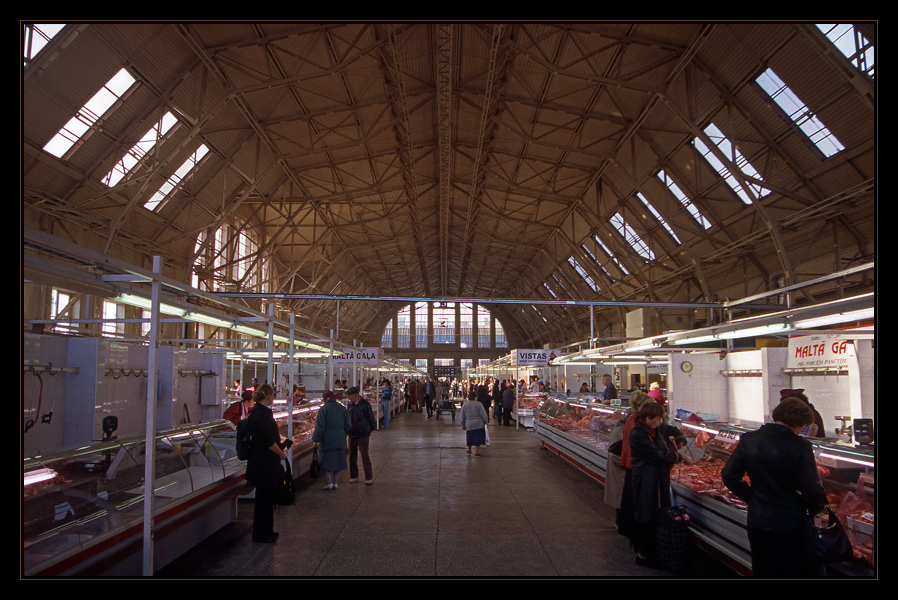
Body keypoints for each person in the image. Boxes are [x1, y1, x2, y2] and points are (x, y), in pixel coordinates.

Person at [721, 397, 828, 577]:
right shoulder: (801, 445)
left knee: (764, 569)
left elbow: (729, 476)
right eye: (804, 426)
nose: (803, 430)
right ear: (798, 422)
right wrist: (821, 515)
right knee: (792, 571)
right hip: (790, 522)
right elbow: (813, 489)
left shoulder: (748, 439)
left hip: (758, 520)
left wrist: (752, 497)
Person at [628, 400, 690, 568]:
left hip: (656, 479)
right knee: (645, 515)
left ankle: (653, 551)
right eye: (656, 419)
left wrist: (680, 437)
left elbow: (670, 429)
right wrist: (679, 457)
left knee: (655, 514)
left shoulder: (654, 430)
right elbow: (656, 455)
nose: (660, 422)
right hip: (645, 480)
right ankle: (642, 555)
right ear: (647, 418)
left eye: (661, 418)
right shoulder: (638, 434)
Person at [244, 384, 288, 543]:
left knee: (264, 498)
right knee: (265, 499)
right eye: (273, 395)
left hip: (261, 462)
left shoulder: (257, 413)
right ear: (268, 396)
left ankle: (265, 531)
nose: (273, 398)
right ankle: (263, 533)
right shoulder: (262, 415)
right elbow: (268, 441)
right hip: (265, 463)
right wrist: (280, 453)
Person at [312, 390, 351, 490]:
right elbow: (348, 425)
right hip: (340, 439)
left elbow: (320, 427)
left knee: (327, 462)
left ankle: (329, 482)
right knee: (337, 461)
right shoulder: (342, 409)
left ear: (325, 398)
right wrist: (343, 433)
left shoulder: (323, 410)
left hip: (327, 440)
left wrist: (316, 438)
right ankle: (336, 482)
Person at [346, 386, 376, 485]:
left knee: (364, 455)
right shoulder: (350, 405)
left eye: (350, 396)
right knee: (352, 456)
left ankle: (368, 477)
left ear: (356, 395)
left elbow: (371, 418)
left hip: (363, 434)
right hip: (352, 434)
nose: (349, 398)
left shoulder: (365, 405)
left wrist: (368, 430)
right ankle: (353, 475)